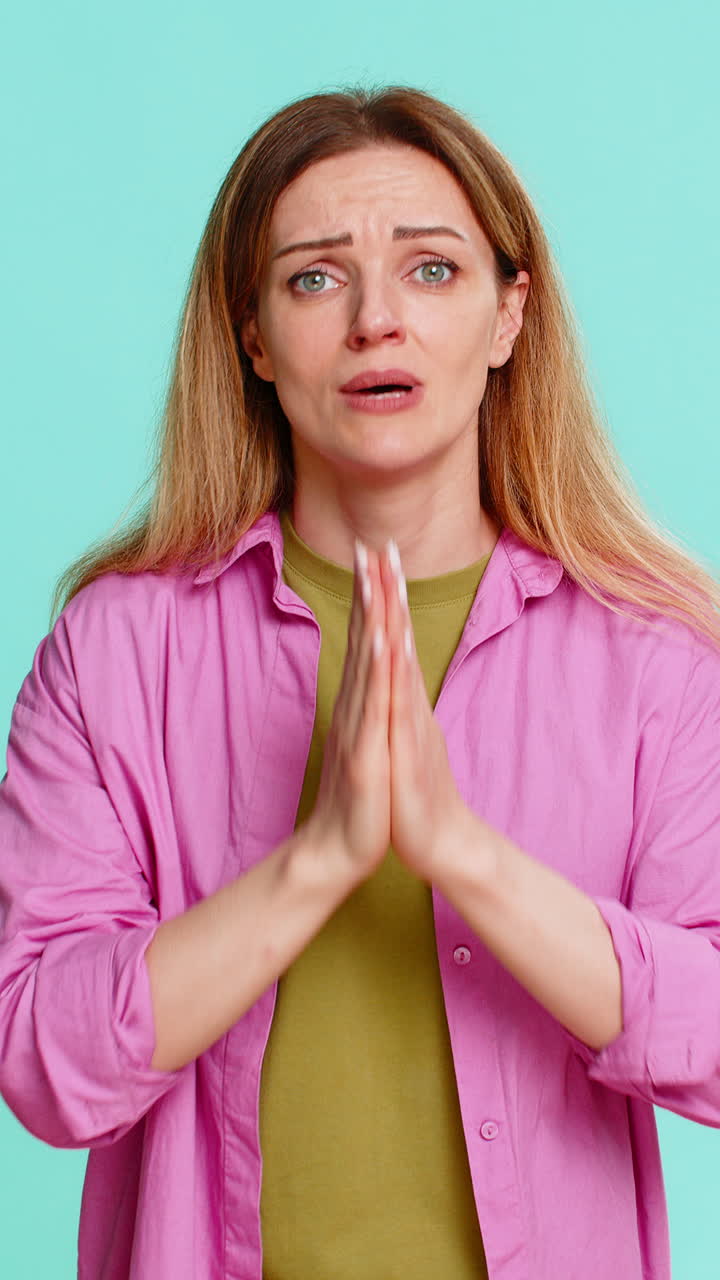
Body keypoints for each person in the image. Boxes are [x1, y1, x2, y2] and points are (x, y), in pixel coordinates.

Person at [1, 84, 719, 1280]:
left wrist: (463, 854)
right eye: (316, 278)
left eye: (432, 271)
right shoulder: (116, 649)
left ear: (508, 316)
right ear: (253, 335)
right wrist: (316, 858)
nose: (377, 319)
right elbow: (42, 1063)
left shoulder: (656, 659)